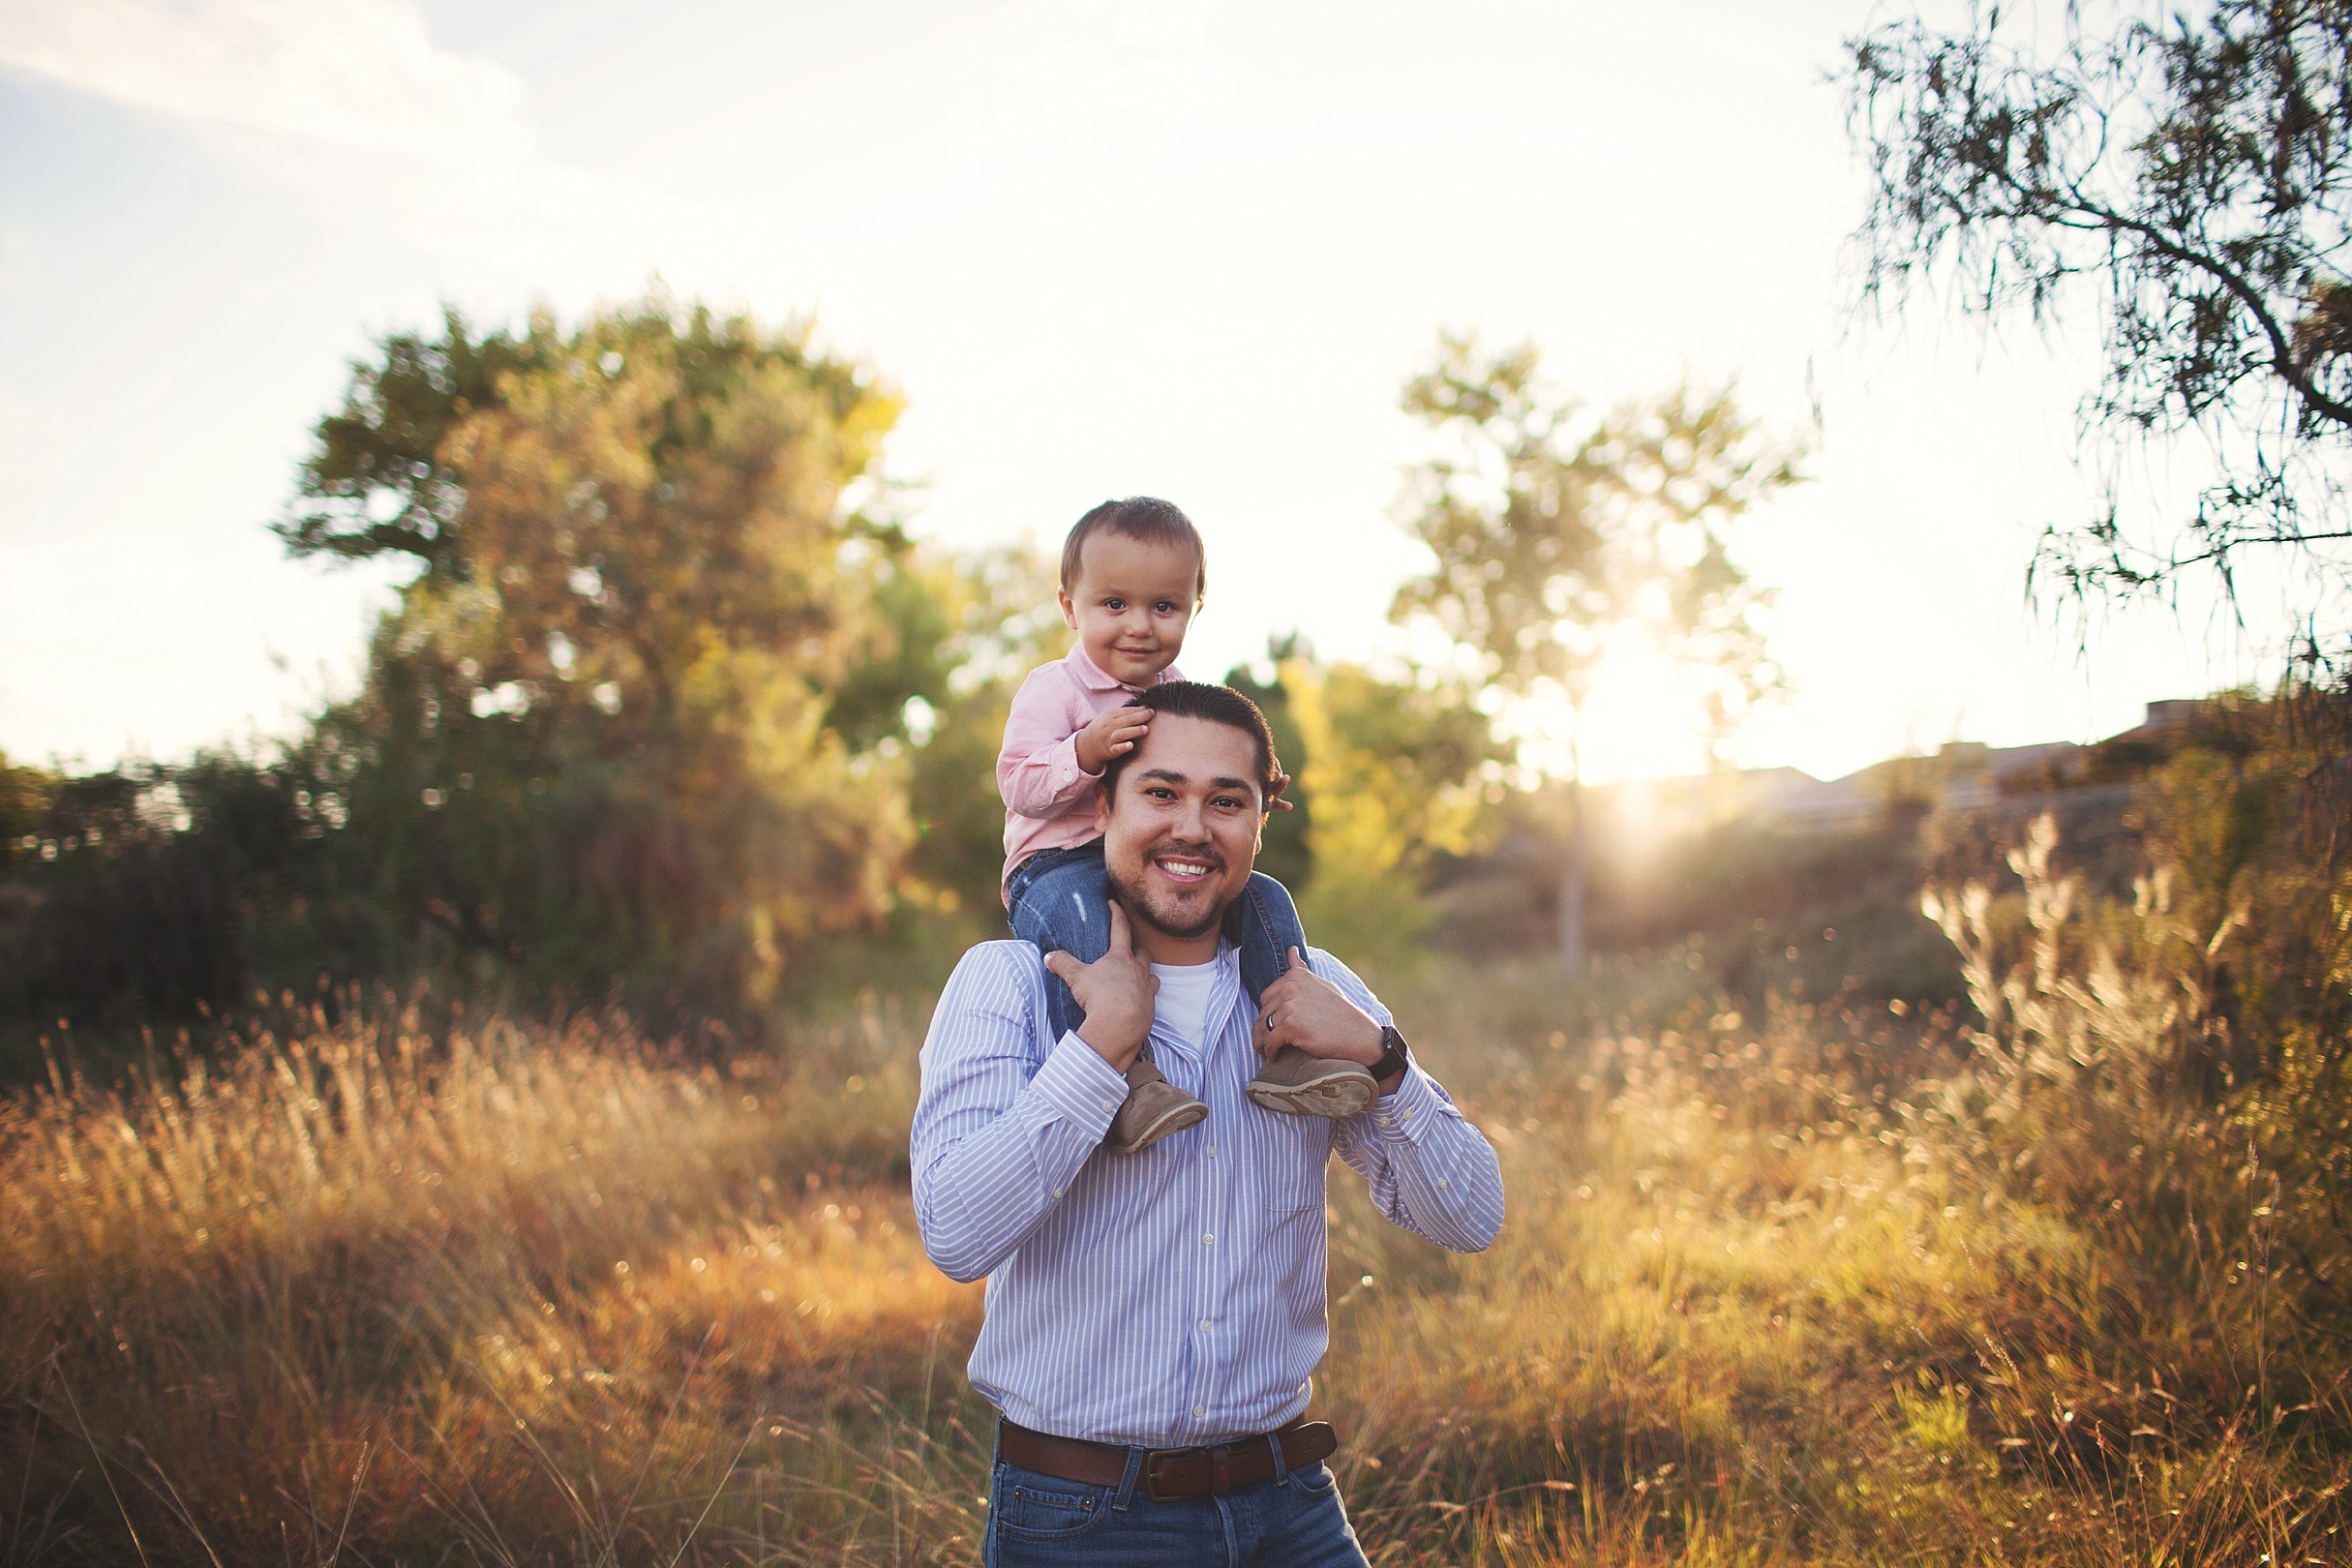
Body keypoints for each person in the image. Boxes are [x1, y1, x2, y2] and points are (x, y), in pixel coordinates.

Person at [916, 680, 1506, 1567]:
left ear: (1260, 821)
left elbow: (1472, 1218)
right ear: (1101, 803)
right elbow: (955, 1235)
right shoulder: (1006, 981)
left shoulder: (1310, 984)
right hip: (1081, 1521)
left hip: (1292, 1512)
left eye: (1226, 801)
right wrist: (1097, 1053)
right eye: (1161, 792)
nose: (1192, 827)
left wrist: (1384, 1063)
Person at [999, 497, 1376, 1155]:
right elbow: (1019, 785)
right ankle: (1124, 1080)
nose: (1139, 626)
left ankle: (1288, 1048)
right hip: (1055, 864)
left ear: (1195, 608)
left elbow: (1219, 759)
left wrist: (1258, 788)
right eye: (1114, 605)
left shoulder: (1178, 693)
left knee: (1266, 897)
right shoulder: (1053, 691)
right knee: (1084, 925)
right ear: (1070, 606)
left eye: (1163, 607)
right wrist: (1082, 752)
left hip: (1141, 862)